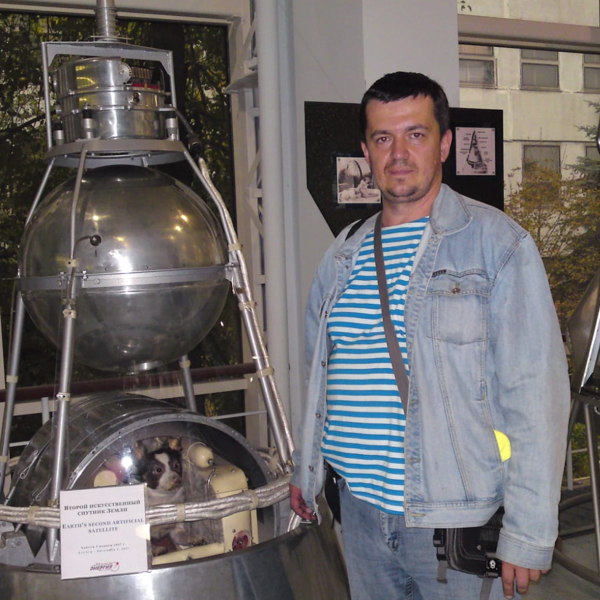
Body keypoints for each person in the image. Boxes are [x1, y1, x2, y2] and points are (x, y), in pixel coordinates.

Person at [290, 71, 570, 600]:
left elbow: (536, 396)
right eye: (382, 137)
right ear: (366, 151)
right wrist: (306, 472)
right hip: (358, 514)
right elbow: (319, 378)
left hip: (451, 519)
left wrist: (528, 532)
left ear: (443, 144)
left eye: (415, 134)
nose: (398, 152)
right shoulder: (343, 254)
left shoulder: (497, 245)